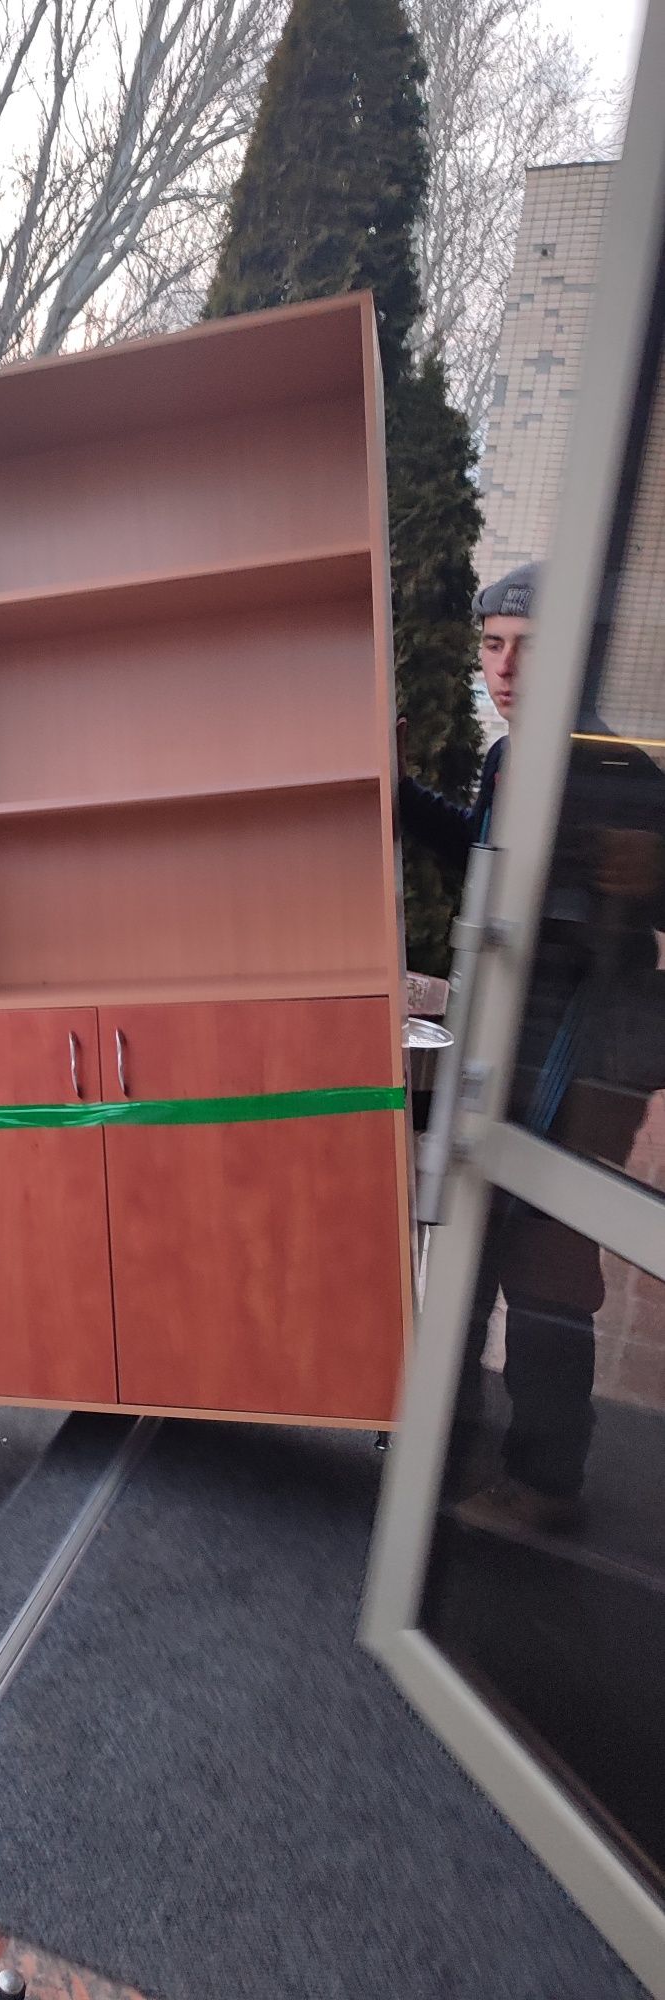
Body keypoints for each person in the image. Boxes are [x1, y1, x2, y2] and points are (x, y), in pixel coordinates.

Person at [401, 561, 665, 1533]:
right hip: (512, 1035)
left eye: (529, 648)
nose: (503, 668)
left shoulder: (616, 771)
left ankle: (548, 1479)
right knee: (477, 1241)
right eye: (493, 645)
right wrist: (397, 794)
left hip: (583, 1050)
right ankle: (460, 1445)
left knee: (549, 1264)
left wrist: (654, 874)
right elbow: (485, 850)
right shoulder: (513, 758)